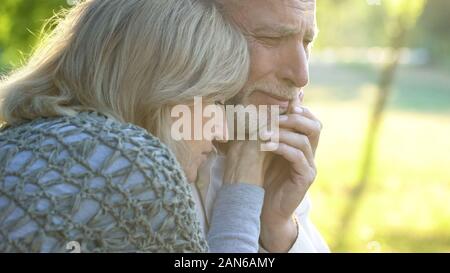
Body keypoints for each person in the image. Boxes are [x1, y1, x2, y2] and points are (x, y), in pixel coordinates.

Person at [0, 0, 265, 253]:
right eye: (216, 101)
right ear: (164, 89)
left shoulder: (16, 142)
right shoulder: (136, 165)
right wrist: (242, 190)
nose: (222, 130)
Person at [192, 0, 330, 252]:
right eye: (271, 38)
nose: (301, 75)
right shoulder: (138, 168)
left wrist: (278, 228)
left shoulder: (266, 148)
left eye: (307, 42)